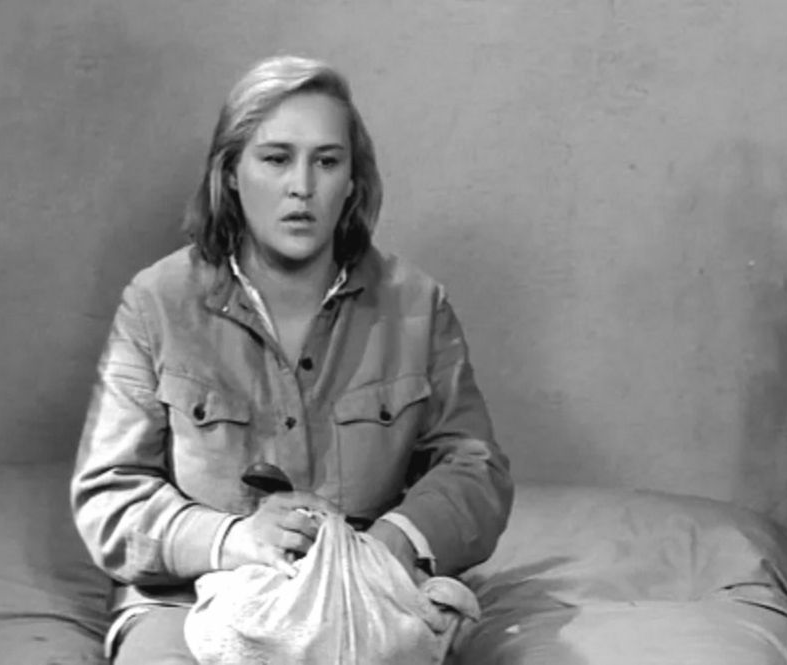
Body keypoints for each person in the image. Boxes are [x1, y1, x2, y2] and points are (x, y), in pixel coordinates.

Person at [70, 55, 513, 664]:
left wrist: (395, 541)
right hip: (189, 599)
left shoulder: (417, 304)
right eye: (276, 159)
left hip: (361, 597)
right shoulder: (156, 302)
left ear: (353, 181)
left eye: (326, 162)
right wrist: (232, 538)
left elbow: (476, 469)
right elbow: (108, 496)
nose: (302, 186)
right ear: (230, 173)